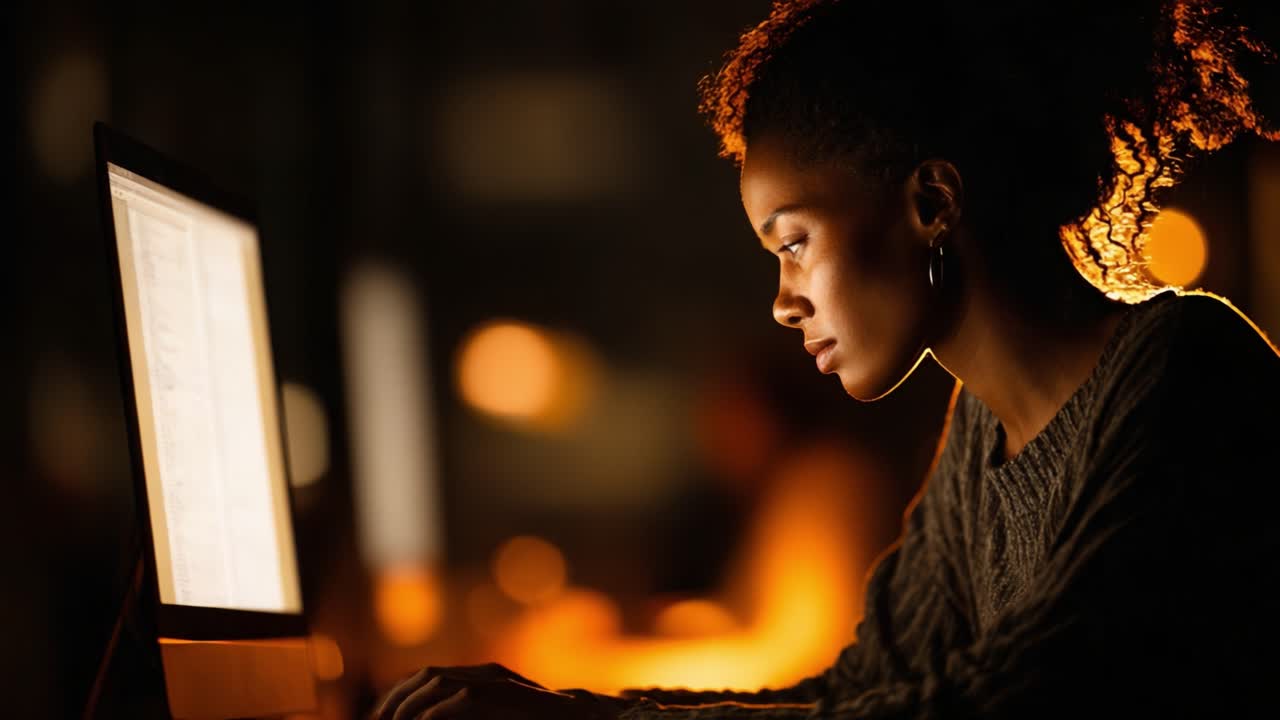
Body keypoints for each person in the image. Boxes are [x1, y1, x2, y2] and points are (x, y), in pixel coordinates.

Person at [372, 0, 1280, 717]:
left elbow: (1022, 703)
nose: (782, 298)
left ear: (931, 200)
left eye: (794, 241)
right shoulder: (982, 441)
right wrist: (570, 709)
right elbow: (851, 699)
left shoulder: (1183, 376)